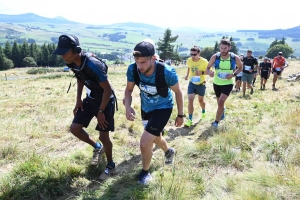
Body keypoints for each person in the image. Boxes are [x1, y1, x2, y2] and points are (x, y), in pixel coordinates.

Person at [52, 34, 117, 180]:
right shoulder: (72, 62)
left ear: (76, 49)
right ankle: (97, 147)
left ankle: (111, 165)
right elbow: (80, 78)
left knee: (103, 136)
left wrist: (101, 111)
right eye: (61, 52)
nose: (62, 56)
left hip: (105, 101)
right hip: (91, 99)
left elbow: (107, 89)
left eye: (65, 52)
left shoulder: (93, 64)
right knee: (75, 128)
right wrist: (78, 100)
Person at [124, 41, 184, 184]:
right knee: (155, 137)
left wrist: (181, 114)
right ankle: (169, 151)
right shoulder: (133, 70)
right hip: (146, 109)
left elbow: (178, 92)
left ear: (153, 58)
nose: (139, 66)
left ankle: (145, 173)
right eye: (137, 61)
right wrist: (128, 106)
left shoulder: (166, 72)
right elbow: (128, 90)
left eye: (143, 62)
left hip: (163, 108)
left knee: (145, 142)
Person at [205, 39, 243, 128]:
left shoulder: (234, 57)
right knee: (219, 102)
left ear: (229, 48)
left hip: (228, 83)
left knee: (221, 102)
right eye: (221, 48)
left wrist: (233, 74)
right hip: (217, 83)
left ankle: (216, 122)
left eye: (225, 48)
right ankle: (222, 110)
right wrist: (209, 72)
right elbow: (208, 67)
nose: (223, 50)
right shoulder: (215, 57)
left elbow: (240, 67)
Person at [184, 46, 208, 127]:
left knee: (201, 101)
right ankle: (190, 120)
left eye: (194, 54)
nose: (192, 56)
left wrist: (201, 73)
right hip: (192, 83)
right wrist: (187, 75)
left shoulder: (204, 61)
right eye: (191, 54)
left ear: (199, 54)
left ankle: (203, 111)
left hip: (201, 84)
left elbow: (210, 72)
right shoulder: (189, 60)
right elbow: (189, 67)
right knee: (190, 100)